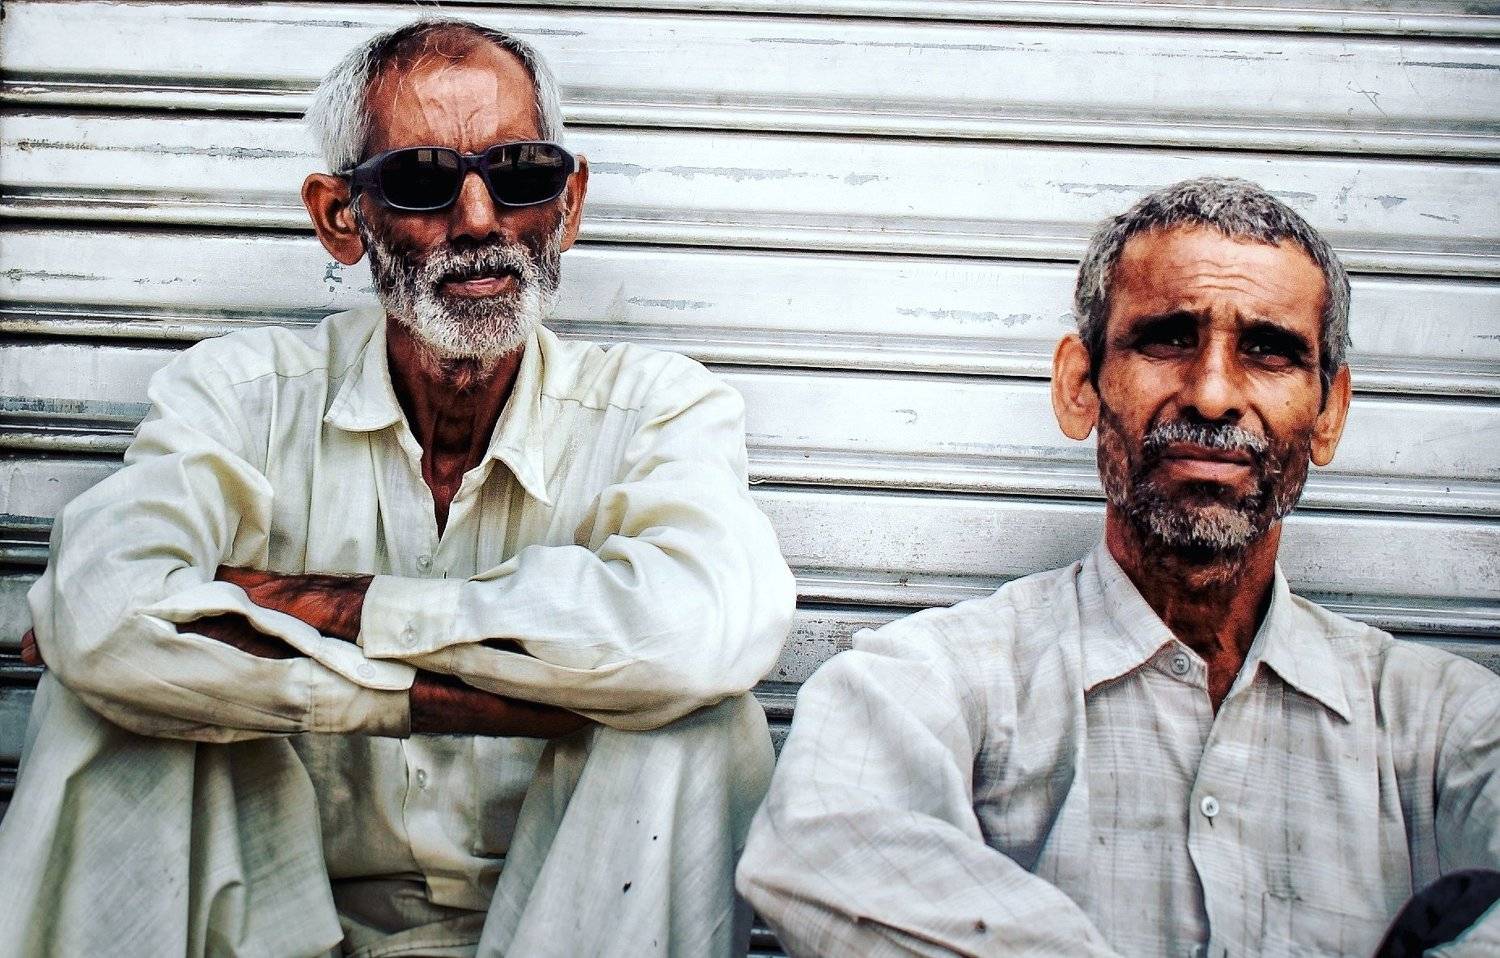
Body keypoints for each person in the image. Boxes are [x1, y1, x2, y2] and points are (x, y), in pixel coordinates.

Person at [0, 18, 794, 958]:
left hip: (564, 922)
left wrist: (318, 607)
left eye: (521, 174)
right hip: (278, 923)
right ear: (342, 218)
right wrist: (463, 693)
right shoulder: (241, 395)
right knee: (105, 705)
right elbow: (100, 612)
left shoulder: (658, 406)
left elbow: (704, 626)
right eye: (421, 181)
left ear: (570, 203)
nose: (480, 220)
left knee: (696, 719)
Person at [737, 176, 1500, 957]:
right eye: (1167, 339)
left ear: (1329, 412)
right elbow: (817, 847)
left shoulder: (1445, 724)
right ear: (1080, 386)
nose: (1212, 395)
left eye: (1268, 351)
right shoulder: (929, 682)